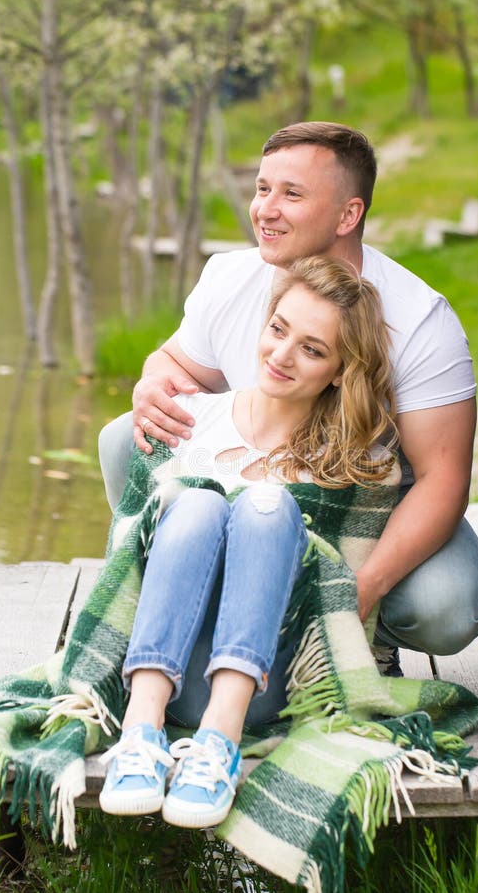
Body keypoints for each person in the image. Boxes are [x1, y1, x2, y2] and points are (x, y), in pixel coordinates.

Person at [98, 121, 478, 675]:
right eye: (262, 188)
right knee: (124, 437)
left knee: (446, 607)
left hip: (364, 508)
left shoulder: (421, 321)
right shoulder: (229, 275)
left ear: (348, 215)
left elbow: (443, 479)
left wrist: (359, 591)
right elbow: (176, 364)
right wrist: (151, 380)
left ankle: (366, 645)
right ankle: (169, 606)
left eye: (291, 194)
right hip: (253, 484)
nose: (265, 209)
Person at [98, 256, 400, 828]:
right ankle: (140, 734)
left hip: (271, 687)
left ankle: (220, 743)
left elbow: (341, 607)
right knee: (198, 503)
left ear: (341, 370)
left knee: (267, 506)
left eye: (312, 349)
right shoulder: (183, 421)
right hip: (159, 669)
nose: (282, 355)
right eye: (278, 329)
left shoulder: (359, 466)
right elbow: (127, 560)